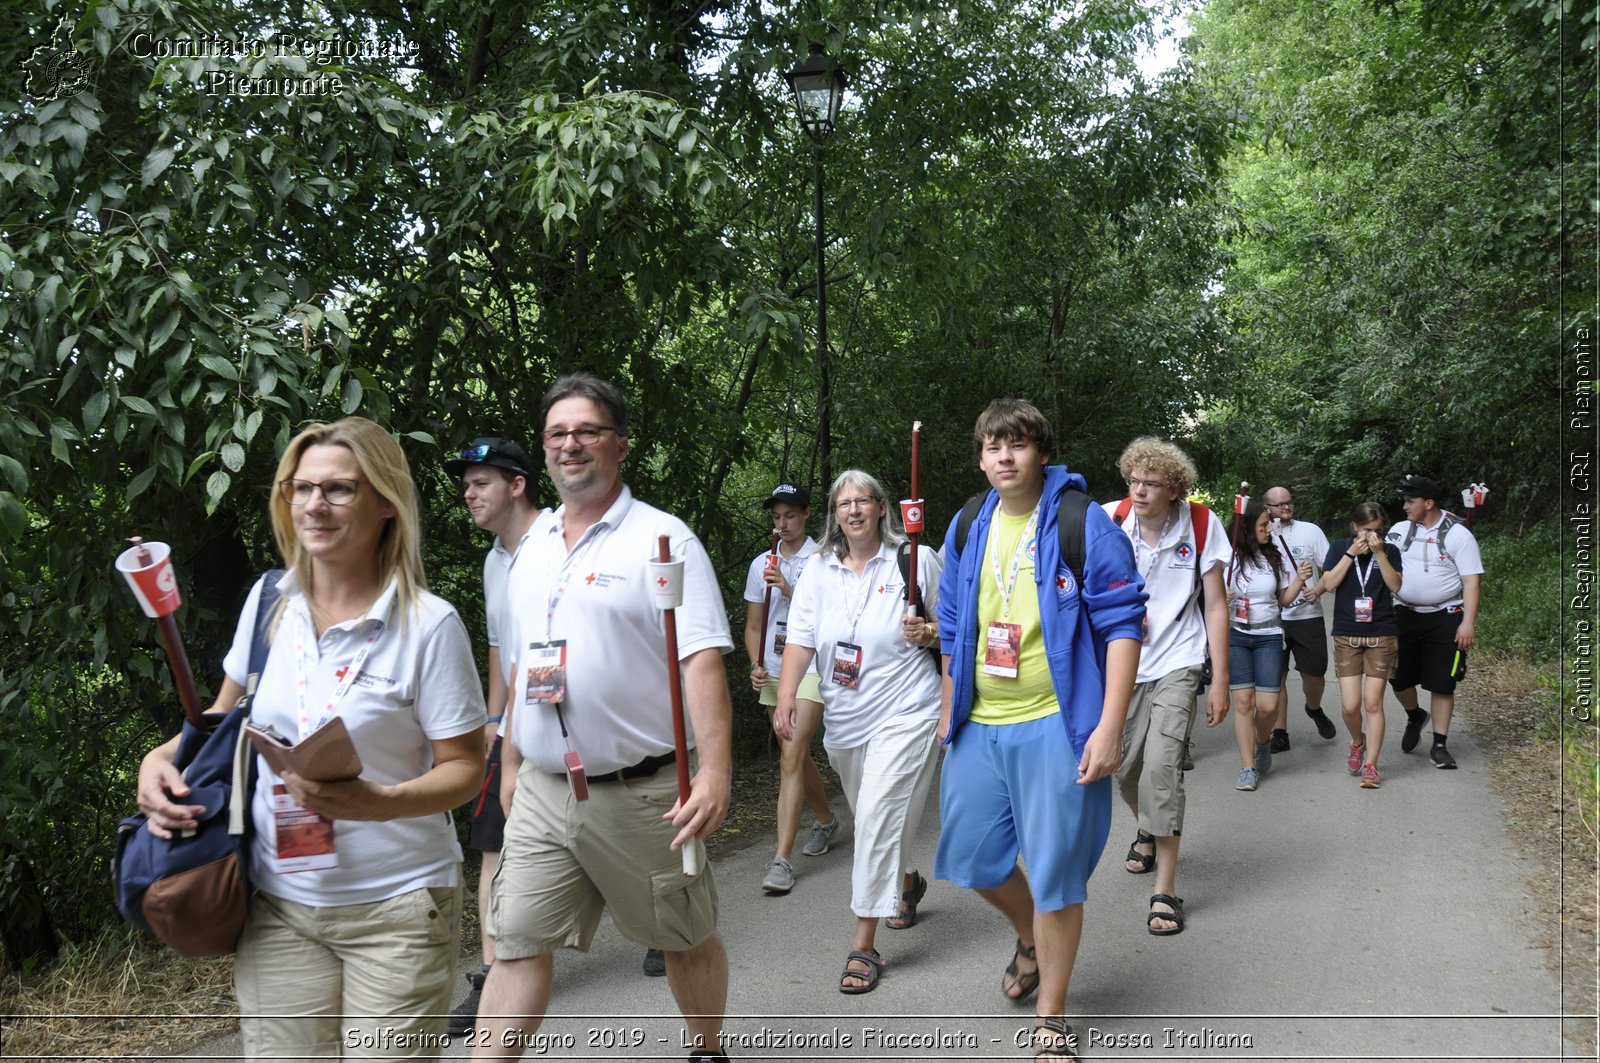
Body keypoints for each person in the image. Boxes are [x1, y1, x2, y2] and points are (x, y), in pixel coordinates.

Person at [136, 416, 487, 1059]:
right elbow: (217, 723)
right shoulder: (271, 600)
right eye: (301, 488)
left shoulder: (429, 626)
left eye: (339, 490)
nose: (314, 505)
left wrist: (374, 801)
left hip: (398, 907)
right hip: (278, 905)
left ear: (385, 503)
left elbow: (465, 768)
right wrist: (157, 761)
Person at [475, 373, 734, 1062]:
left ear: (620, 444)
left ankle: (707, 1051)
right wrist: (509, 761)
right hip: (542, 790)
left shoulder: (663, 542)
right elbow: (521, 666)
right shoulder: (527, 550)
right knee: (516, 945)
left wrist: (713, 770)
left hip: (644, 792)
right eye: (558, 433)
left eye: (587, 430)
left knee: (685, 934)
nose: (571, 444)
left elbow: (699, 660)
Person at [934, 399, 1145, 1062]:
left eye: (1017, 444)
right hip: (980, 722)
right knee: (969, 856)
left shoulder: (1084, 521)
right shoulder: (969, 522)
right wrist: (949, 703)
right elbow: (949, 621)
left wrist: (1109, 726)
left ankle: (1051, 1014)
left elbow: (1122, 625)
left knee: (1056, 873)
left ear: (1041, 452)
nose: (1004, 456)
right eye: (993, 445)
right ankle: (1030, 935)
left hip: (1059, 722)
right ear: (980, 456)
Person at [773, 469, 943, 995]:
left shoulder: (915, 559)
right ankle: (906, 883)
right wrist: (785, 696)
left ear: (881, 507)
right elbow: (800, 641)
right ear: (834, 513)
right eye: (843, 503)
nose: (853, 510)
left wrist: (930, 631)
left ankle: (863, 944)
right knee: (875, 816)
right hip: (846, 718)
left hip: (909, 708)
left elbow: (956, 627)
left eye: (862, 501)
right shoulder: (819, 572)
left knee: (873, 818)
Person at [1105, 438, 1230, 935]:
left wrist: (1219, 677)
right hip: (1122, 665)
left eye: (1151, 483)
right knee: (1124, 771)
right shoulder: (1109, 519)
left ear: (1175, 488)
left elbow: (1216, 605)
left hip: (1179, 660)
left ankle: (1166, 889)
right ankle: (1149, 827)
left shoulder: (1200, 525)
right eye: (1133, 480)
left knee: (1162, 768)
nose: (1138, 490)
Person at [444, 437, 545, 1031]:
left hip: (573, 723)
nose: (469, 492)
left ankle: (661, 928)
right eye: (466, 484)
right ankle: (489, 975)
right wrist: (491, 719)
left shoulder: (559, 541)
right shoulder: (493, 561)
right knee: (492, 843)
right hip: (512, 725)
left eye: (481, 482)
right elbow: (500, 648)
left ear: (517, 484)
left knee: (607, 835)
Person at [743, 482, 841, 895]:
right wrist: (755, 664)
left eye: (789, 515)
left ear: (805, 515)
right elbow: (752, 625)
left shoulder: (823, 558)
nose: (782, 524)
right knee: (793, 755)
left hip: (814, 667)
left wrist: (786, 586)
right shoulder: (759, 563)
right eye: (776, 517)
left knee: (791, 752)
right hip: (775, 668)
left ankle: (781, 860)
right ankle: (826, 820)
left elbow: (831, 615)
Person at [1387, 474, 1484, 769]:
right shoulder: (1399, 531)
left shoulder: (1458, 535)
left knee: (1443, 684)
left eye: (1409, 501)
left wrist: (1468, 622)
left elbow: (1471, 582)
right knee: (1397, 676)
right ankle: (1415, 714)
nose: (1404, 506)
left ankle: (1439, 744)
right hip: (1403, 615)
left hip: (1445, 617)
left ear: (1428, 503)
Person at [1226, 500, 1313, 791]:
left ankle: (1263, 742)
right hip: (1236, 635)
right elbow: (1209, 598)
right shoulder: (1227, 558)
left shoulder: (1273, 558)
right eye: (1263, 525)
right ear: (1247, 528)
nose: (1268, 530)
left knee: (1267, 706)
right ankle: (1247, 766)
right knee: (1244, 704)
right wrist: (1220, 599)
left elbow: (1284, 600)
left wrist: (1300, 581)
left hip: (1269, 636)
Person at [1320, 502, 1403, 788]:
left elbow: (1396, 586)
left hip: (1381, 633)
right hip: (1347, 634)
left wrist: (1380, 553)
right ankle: (1358, 741)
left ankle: (1371, 765)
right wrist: (1349, 554)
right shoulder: (1338, 547)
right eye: (1367, 530)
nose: (1372, 536)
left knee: (1373, 702)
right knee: (1350, 705)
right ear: (1355, 526)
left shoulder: (1389, 550)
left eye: (1378, 531)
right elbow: (1328, 584)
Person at [1263, 486, 1336, 751]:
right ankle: (1280, 732)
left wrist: (1318, 589)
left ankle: (1313, 708)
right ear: (1267, 508)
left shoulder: (1311, 531)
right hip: (1273, 616)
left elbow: (1330, 569)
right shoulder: (1262, 534)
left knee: (1314, 675)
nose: (1286, 507)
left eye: (1289, 502)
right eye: (1279, 504)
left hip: (1307, 614)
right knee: (1276, 677)